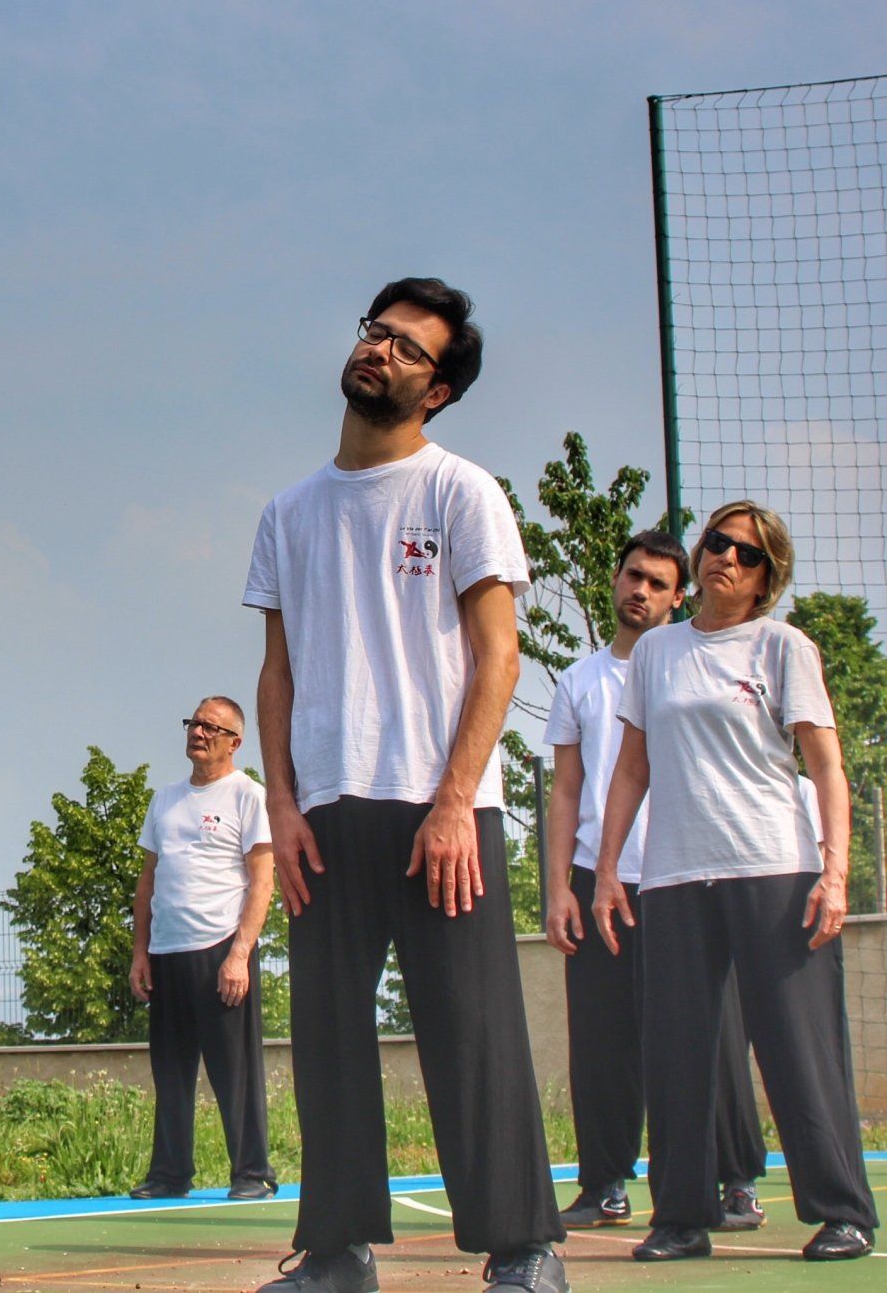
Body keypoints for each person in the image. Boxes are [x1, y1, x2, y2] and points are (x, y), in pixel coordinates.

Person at [244, 280, 566, 1293]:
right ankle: (337, 1251)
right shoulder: (289, 512)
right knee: (329, 1036)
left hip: (444, 805)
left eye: (407, 347)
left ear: (439, 391)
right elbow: (278, 673)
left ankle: (523, 1247)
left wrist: (455, 800)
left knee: (473, 1031)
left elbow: (498, 658)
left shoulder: (461, 491)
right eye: (375, 332)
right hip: (326, 814)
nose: (380, 351)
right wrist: (284, 807)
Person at [593, 502, 878, 1263]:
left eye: (745, 554)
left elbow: (826, 767)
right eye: (717, 543)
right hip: (675, 875)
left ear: (766, 577)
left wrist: (836, 872)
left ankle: (841, 1211)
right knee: (677, 1051)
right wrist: (609, 874)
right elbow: (631, 768)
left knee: (797, 1047)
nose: (725, 558)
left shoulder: (785, 647)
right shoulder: (657, 653)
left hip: (776, 869)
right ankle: (681, 1218)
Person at [542, 530, 767, 1232]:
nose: (640, 590)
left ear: (678, 598)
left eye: (658, 584)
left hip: (685, 873)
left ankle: (734, 1180)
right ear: (617, 580)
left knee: (716, 1036)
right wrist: (558, 890)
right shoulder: (578, 682)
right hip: (596, 882)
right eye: (633, 575)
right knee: (602, 1040)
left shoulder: (688, 669)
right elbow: (566, 793)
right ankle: (605, 1182)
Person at [128, 697, 278, 1201]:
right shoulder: (164, 800)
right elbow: (147, 881)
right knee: (170, 1073)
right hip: (167, 953)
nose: (198, 732)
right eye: (194, 722)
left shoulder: (248, 796)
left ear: (234, 741)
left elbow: (262, 881)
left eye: (211, 726)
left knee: (234, 1072)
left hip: (221, 951)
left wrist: (240, 954)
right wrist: (140, 953)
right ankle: (170, 1174)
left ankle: (252, 1172)